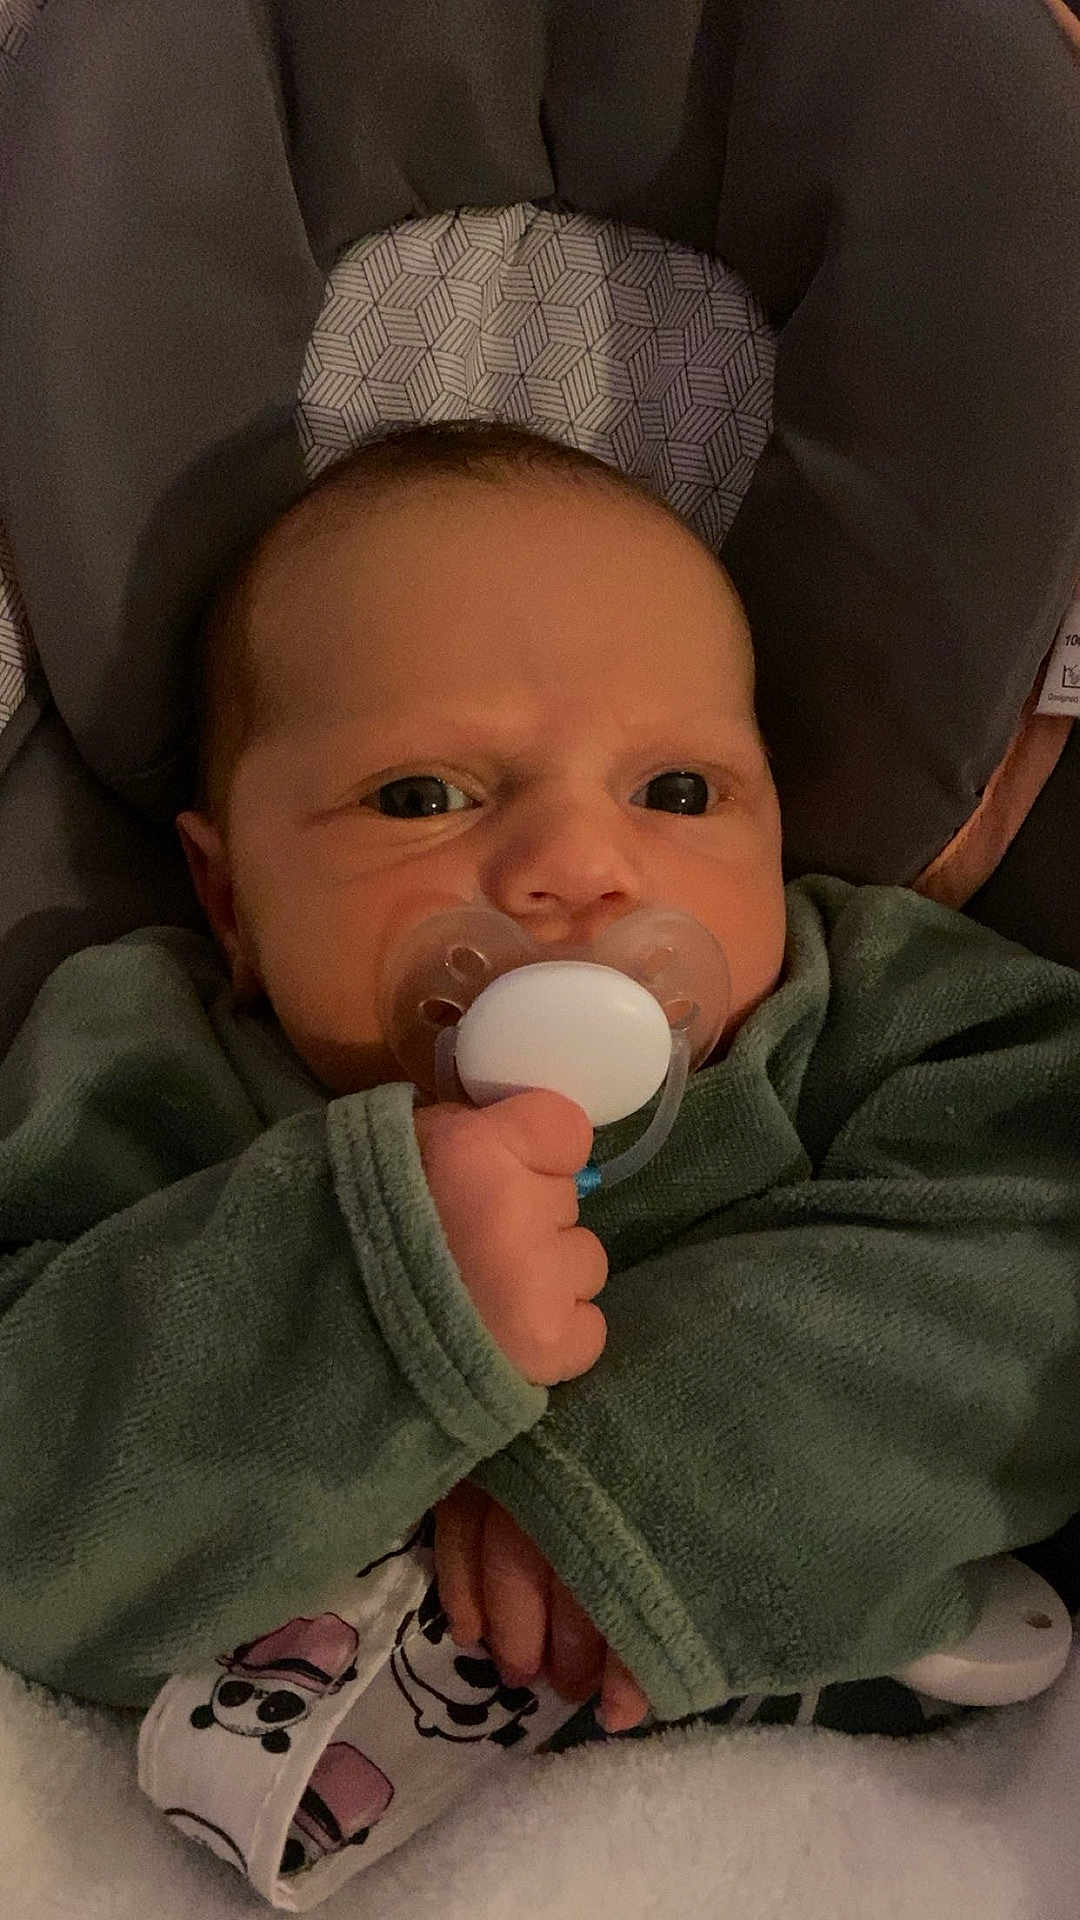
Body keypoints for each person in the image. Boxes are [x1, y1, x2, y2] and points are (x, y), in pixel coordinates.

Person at [3, 421, 1080, 1815]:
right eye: (422, 795)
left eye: (678, 792)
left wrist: (655, 1476)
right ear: (229, 900)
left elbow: (1046, 1245)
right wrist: (368, 1290)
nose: (581, 865)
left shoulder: (870, 1019)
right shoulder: (145, 1069)